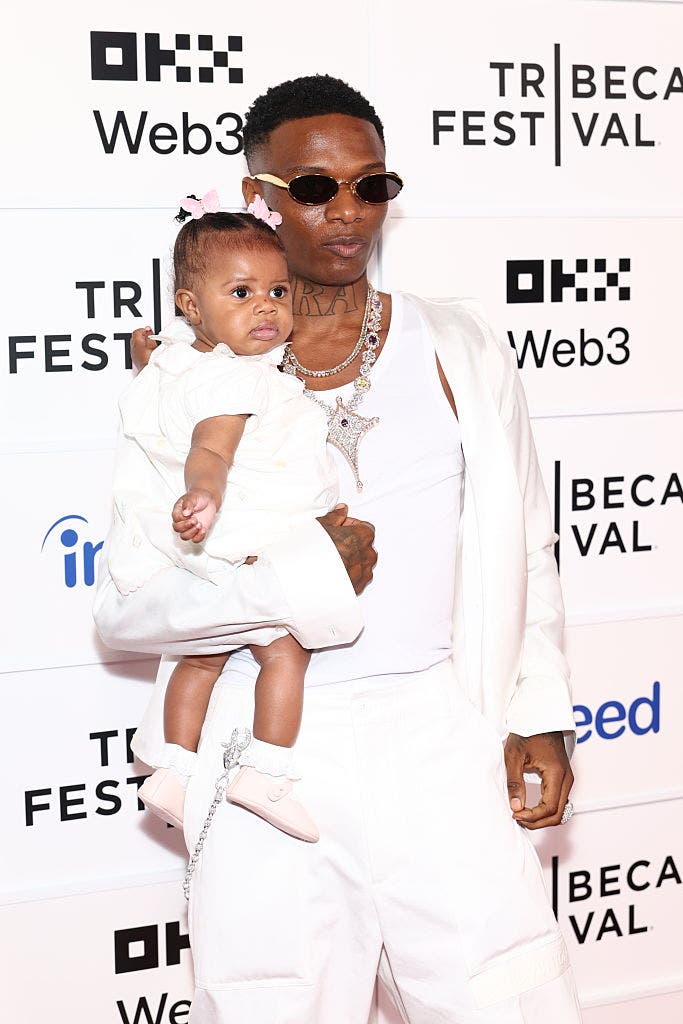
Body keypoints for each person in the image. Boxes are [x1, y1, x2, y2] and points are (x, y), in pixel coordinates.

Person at [94, 75, 582, 1023]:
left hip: (438, 735)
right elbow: (127, 610)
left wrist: (538, 707)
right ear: (258, 197)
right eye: (315, 189)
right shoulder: (180, 385)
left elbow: (526, 540)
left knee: (510, 1001)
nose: (348, 210)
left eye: (372, 184)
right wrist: (303, 579)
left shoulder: (458, 342)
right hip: (263, 755)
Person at [105, 196, 352, 843]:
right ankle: (265, 772)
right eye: (241, 293)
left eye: (278, 291)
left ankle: (172, 770)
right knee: (286, 652)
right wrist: (204, 494)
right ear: (191, 305)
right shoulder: (238, 380)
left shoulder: (188, 361)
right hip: (245, 538)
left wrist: (145, 356)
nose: (265, 307)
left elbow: (171, 387)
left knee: (200, 655)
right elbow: (210, 449)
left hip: (206, 555)